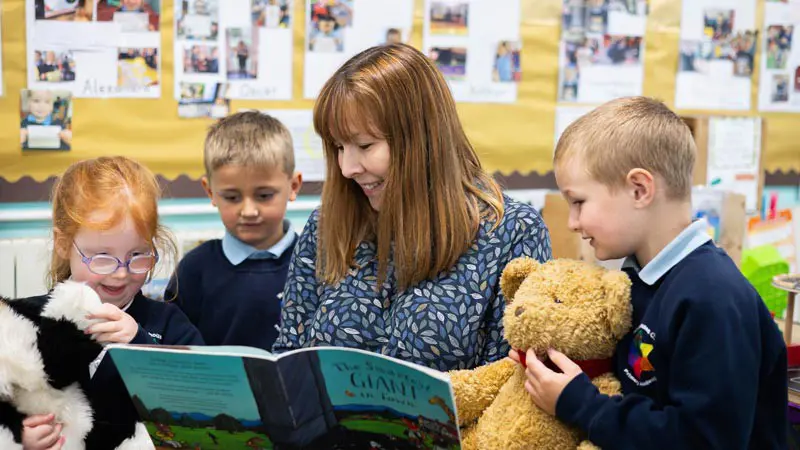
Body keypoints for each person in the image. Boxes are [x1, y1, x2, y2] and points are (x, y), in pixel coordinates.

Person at [513, 97, 787, 449]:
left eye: (578, 201)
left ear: (639, 190)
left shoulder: (713, 298)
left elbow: (703, 440)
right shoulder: (637, 279)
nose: (572, 222)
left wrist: (580, 404)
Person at [272, 43, 552, 372]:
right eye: (338, 147)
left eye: (364, 145)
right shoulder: (325, 226)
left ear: (421, 140)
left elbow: (512, 383)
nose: (347, 168)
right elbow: (289, 356)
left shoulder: (513, 233)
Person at [21, 156, 204, 450]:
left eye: (138, 255)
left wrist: (140, 345)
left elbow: (199, 405)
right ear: (64, 244)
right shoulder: (26, 323)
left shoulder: (169, 325)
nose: (121, 273)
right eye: (102, 258)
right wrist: (20, 438)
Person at [165, 111, 302, 351]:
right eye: (232, 197)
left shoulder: (316, 265)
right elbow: (175, 352)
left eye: (264, 196)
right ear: (210, 193)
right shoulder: (194, 270)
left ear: (293, 186)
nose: (248, 211)